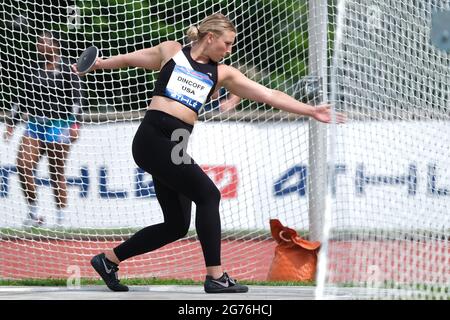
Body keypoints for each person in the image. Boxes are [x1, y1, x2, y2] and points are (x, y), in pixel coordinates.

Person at [72, 13, 345, 293]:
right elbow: (131, 59)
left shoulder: (222, 73)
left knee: (176, 226)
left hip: (176, 145)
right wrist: (100, 64)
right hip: (152, 139)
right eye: (226, 44)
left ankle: (108, 260)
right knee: (209, 194)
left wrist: (311, 110)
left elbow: (270, 95)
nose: (229, 50)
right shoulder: (172, 51)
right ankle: (215, 276)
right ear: (210, 37)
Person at [3, 31, 84, 227]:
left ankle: (61, 219)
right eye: (38, 41)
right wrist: (11, 124)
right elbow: (21, 99)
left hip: (60, 125)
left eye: (44, 41)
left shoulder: (67, 69)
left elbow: (77, 99)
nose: (40, 44)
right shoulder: (32, 69)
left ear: (55, 45)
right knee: (23, 166)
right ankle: (34, 214)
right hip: (35, 124)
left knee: (56, 173)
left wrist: (75, 124)